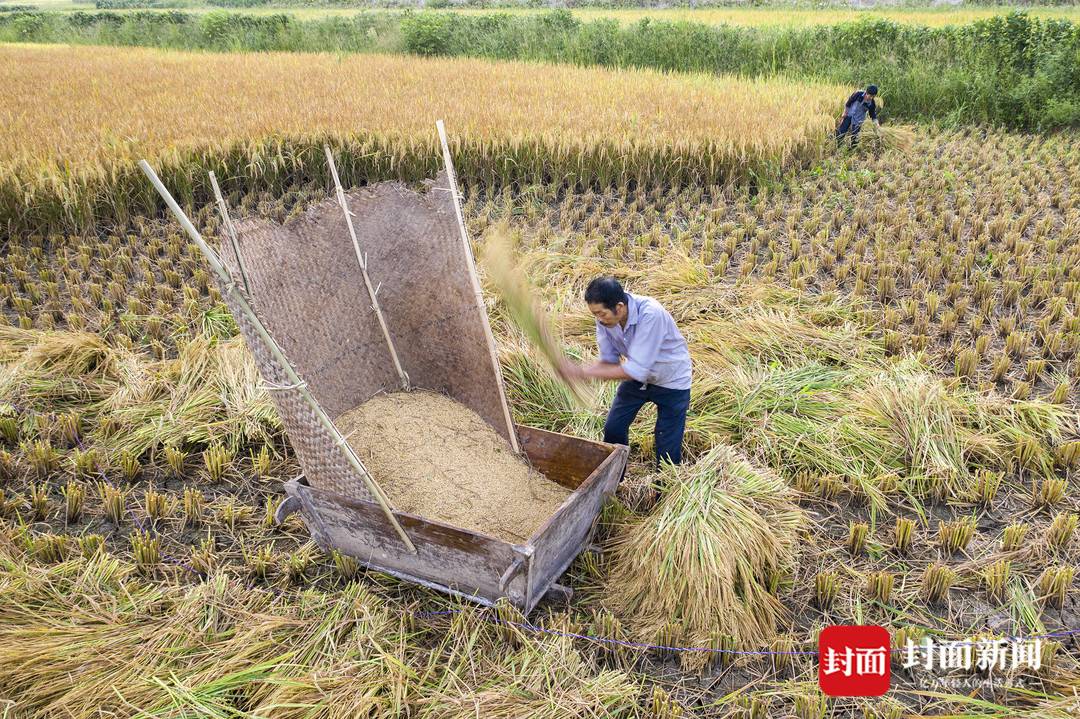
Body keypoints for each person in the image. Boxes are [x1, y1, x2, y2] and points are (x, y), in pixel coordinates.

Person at [558, 276, 692, 467]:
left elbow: (636, 370)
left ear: (619, 307)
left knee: (667, 444)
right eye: (595, 314)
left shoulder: (650, 314)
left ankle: (665, 482)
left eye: (601, 313)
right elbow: (609, 362)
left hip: (671, 379)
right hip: (639, 379)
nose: (599, 319)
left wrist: (582, 372)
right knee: (614, 428)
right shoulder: (605, 321)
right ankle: (612, 477)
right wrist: (574, 370)